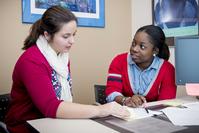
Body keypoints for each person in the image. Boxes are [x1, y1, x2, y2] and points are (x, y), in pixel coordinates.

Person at [5, 6, 130, 133]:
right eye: (66, 36)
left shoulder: (61, 56)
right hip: (26, 126)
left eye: (73, 35)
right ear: (47, 35)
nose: (72, 41)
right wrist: (101, 110)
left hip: (52, 123)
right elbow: (51, 107)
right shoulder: (32, 60)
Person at [105, 25, 177, 107]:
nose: (134, 49)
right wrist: (126, 100)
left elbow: (166, 103)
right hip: (124, 115)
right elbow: (111, 92)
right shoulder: (119, 61)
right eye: (133, 43)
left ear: (155, 50)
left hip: (153, 117)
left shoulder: (168, 70)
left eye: (142, 47)